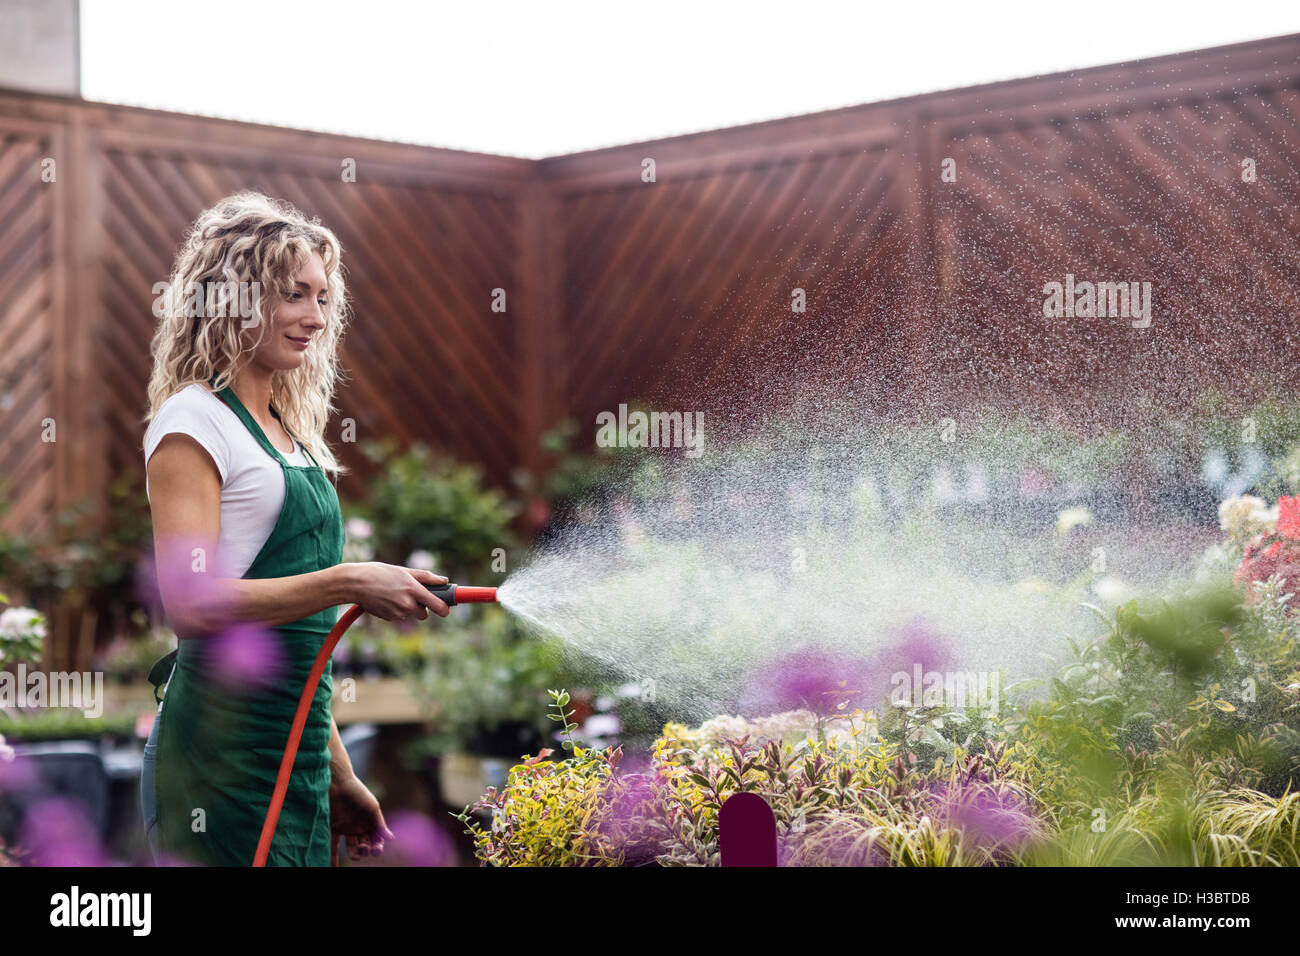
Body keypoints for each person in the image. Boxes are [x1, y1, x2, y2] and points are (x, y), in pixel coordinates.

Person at [138, 191, 449, 866]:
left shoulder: (291, 436)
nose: (314, 317)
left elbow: (297, 651)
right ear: (235, 298)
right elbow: (190, 605)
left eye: (323, 298)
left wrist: (338, 771)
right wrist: (348, 581)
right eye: (293, 295)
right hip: (219, 759)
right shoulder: (194, 424)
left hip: (299, 755)